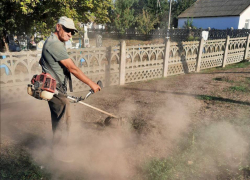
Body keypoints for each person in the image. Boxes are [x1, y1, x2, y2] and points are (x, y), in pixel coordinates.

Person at [39, 16, 101, 147]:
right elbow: (73, 68)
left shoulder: (53, 41)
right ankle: (60, 154)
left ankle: (58, 149)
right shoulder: (54, 44)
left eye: (72, 32)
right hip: (55, 89)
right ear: (58, 27)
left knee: (60, 119)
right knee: (62, 121)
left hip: (53, 87)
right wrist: (92, 84)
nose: (70, 34)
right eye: (67, 30)